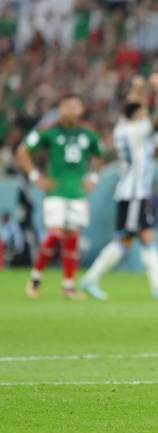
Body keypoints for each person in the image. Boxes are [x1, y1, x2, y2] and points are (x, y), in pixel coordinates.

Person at [80, 73, 158, 300]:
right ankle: (91, 279)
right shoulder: (137, 129)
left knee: (142, 237)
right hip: (134, 193)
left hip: (133, 192)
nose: (146, 112)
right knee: (128, 239)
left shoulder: (121, 127)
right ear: (137, 115)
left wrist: (138, 87)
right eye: (143, 110)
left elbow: (131, 107)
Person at [15, 94, 103, 299]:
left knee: (72, 237)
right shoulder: (49, 132)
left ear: (81, 109)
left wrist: (93, 178)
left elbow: (99, 156)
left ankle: (68, 286)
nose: (71, 110)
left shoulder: (88, 134)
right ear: (60, 109)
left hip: (77, 193)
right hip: (55, 192)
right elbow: (22, 152)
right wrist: (36, 176)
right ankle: (36, 278)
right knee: (55, 234)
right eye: (67, 106)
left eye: (75, 106)